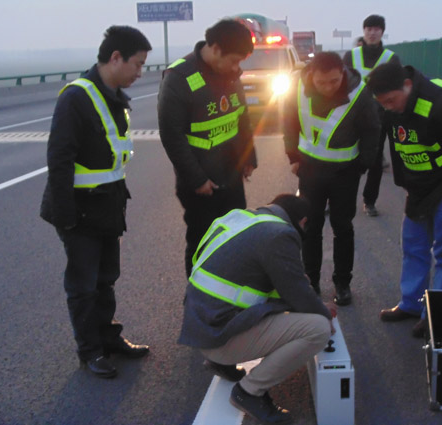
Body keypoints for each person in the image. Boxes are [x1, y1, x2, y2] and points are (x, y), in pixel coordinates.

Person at [40, 26, 152, 378]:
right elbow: (59, 159)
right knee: (83, 286)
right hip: (79, 211)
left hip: (107, 206)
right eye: (138, 64)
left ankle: (108, 339)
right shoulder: (76, 97)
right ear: (116, 58)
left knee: (106, 279)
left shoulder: (114, 96)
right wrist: (66, 218)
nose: (140, 72)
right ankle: (90, 351)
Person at [178, 194, 336, 424]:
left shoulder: (241, 218)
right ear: (302, 221)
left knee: (292, 296)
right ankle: (250, 392)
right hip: (219, 339)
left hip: (201, 327)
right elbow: (298, 296)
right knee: (318, 329)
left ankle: (222, 363)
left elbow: (244, 280)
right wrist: (323, 311)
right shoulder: (279, 234)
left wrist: (297, 285)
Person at [366, 62, 442, 337]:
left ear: (407, 86)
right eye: (382, 103)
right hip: (418, 187)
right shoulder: (393, 108)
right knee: (414, 246)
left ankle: (435, 316)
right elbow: (398, 147)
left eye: (391, 100)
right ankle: (412, 304)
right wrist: (405, 183)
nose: (388, 108)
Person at [157, 19, 257, 277]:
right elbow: (172, 136)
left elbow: (242, 118)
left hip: (231, 174)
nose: (237, 68)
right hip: (201, 183)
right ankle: (198, 295)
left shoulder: (231, 75)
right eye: (234, 60)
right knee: (202, 242)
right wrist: (197, 179)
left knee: (234, 237)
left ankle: (229, 290)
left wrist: (248, 157)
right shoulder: (179, 78)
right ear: (215, 49)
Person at [283, 51, 380, 304]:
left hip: (345, 173)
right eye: (321, 82)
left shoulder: (359, 94)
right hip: (309, 171)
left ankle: (342, 283)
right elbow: (289, 121)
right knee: (310, 226)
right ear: (311, 76)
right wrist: (293, 157)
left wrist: (363, 165)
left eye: (334, 81)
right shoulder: (297, 88)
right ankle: (311, 281)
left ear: (343, 73)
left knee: (343, 227)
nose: (328, 87)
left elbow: (372, 131)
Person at [343, 14, 401, 217]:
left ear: (382, 32)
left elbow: (396, 88)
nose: (372, 32)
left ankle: (369, 201)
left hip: (379, 119)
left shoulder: (391, 58)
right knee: (347, 160)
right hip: (352, 117)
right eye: (369, 29)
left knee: (375, 162)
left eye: (377, 29)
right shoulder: (351, 56)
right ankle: (340, 199)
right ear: (364, 31)